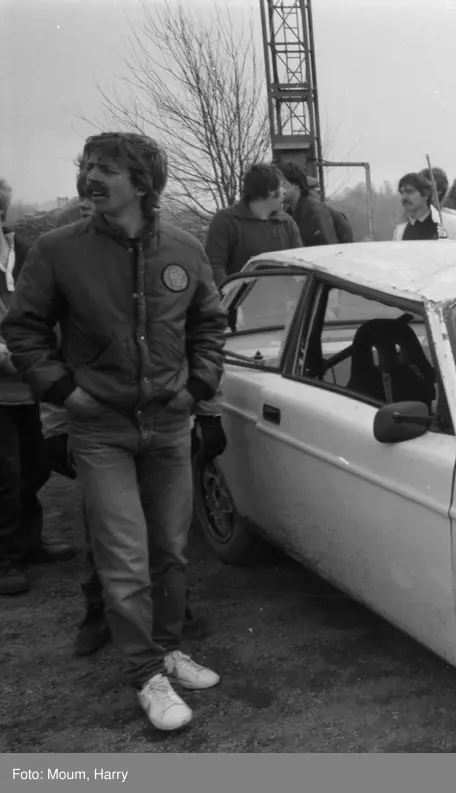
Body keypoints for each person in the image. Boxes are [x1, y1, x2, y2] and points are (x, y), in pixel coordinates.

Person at [2, 132, 227, 731]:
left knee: (170, 549)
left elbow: (210, 323)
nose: (91, 178)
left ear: (143, 183)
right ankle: (145, 674)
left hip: (169, 424)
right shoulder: (57, 250)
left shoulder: (184, 248)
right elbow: (23, 329)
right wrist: (63, 391)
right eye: (88, 167)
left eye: (106, 169)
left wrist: (196, 387)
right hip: (100, 431)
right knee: (124, 556)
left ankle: (167, 648)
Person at [1, 178, 78, 595]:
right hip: (6, 379)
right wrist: (12, 355)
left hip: (24, 386)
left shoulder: (20, 249)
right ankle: (4, 559)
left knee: (33, 467)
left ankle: (28, 542)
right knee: (5, 476)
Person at [204, 163, 302, 285]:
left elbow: (299, 264)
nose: (285, 192)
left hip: (284, 295)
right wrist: (231, 295)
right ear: (268, 191)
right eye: (280, 186)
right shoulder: (226, 221)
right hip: (240, 295)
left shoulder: (286, 222)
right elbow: (214, 267)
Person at [391, 172, 456, 240]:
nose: (404, 197)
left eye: (409, 191)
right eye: (401, 193)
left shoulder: (452, 224)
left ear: (425, 194)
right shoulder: (400, 230)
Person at [277, 161, 338, 247]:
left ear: (295, 184)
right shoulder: (290, 213)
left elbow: (326, 247)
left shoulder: (315, 212)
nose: (277, 189)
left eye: (282, 183)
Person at [309, 178, 354, 243]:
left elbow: (347, 241)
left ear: (319, 193)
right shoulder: (296, 218)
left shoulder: (335, 217)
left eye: (309, 195)